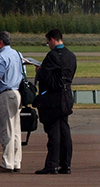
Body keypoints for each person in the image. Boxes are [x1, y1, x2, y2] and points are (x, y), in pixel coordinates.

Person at [34, 28, 77, 175]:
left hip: (54, 98)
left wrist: (38, 71)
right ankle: (66, 165)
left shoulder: (52, 56)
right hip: (66, 96)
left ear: (52, 39)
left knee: (53, 133)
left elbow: (44, 76)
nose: (48, 45)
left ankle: (52, 164)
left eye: (48, 42)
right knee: (65, 131)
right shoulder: (71, 56)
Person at [0, 31, 23, 173]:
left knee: (6, 129)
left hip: (6, 94)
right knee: (16, 129)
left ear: (1, 42)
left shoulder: (2, 56)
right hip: (16, 93)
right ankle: (16, 161)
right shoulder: (17, 54)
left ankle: (7, 163)